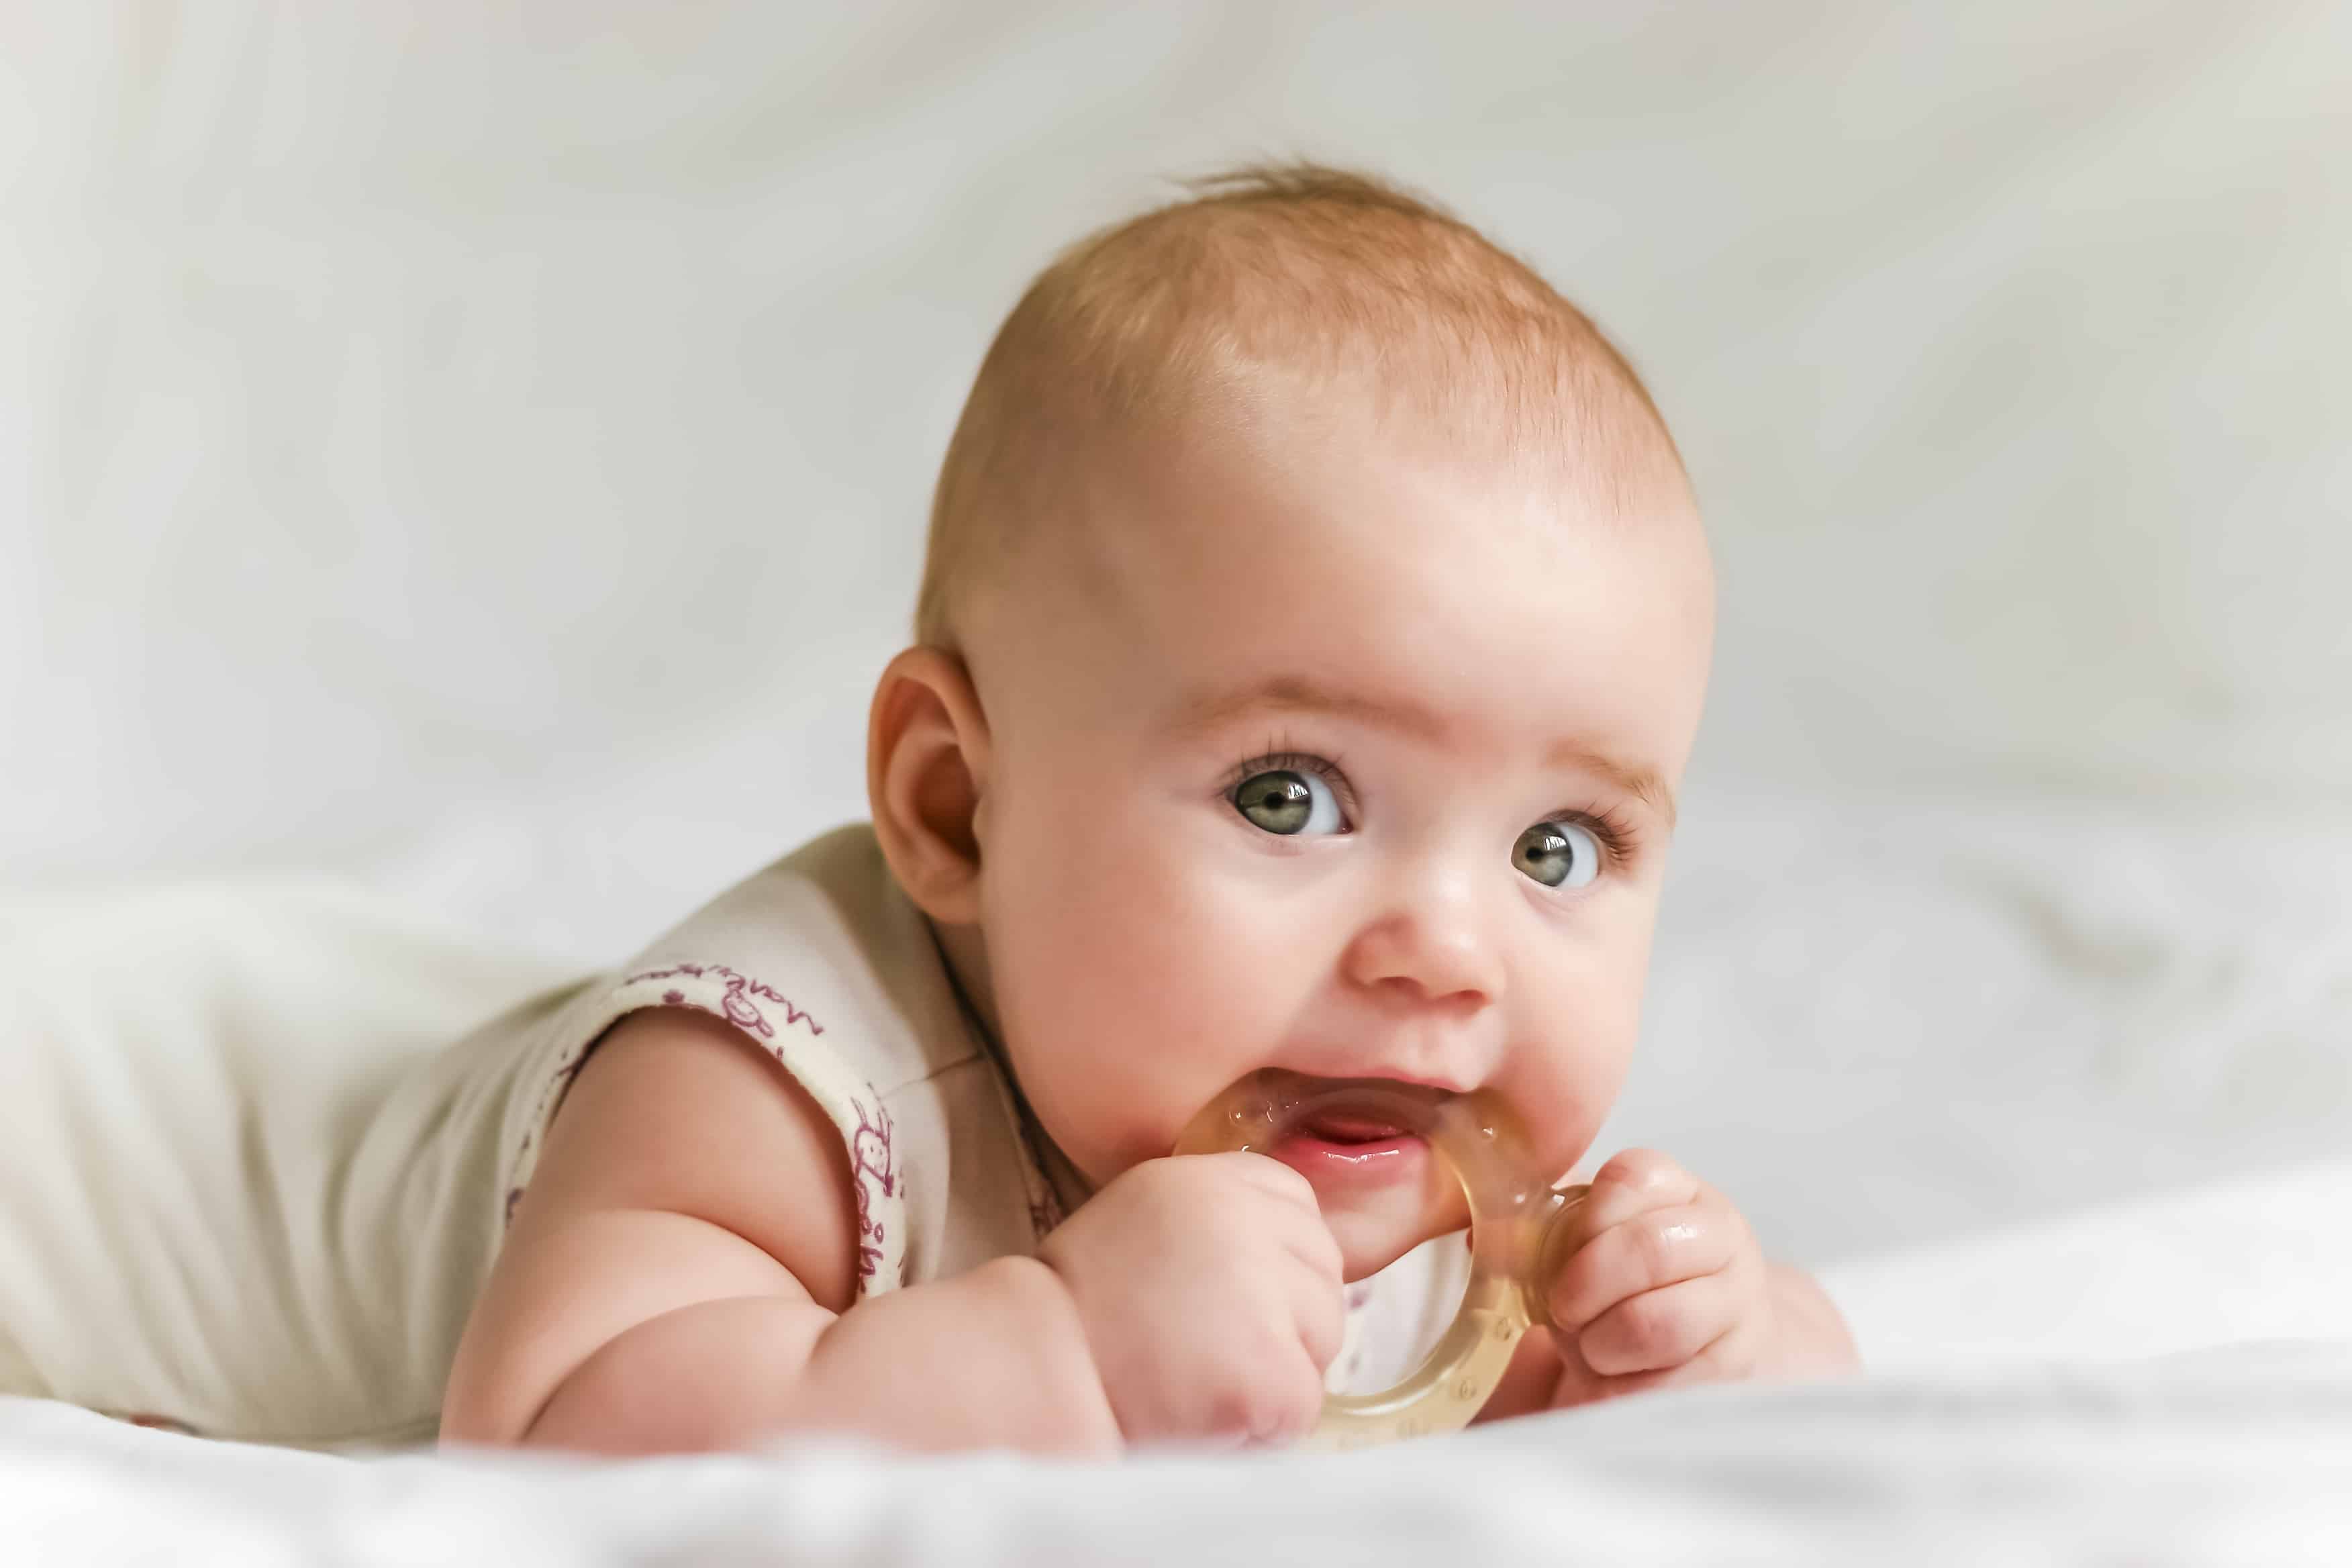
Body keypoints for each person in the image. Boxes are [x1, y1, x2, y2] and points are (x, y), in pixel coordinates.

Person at [0, 164, 1857, 1453]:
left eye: (1560, 849)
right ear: (957, 807)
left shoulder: (1377, 1139)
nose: (1451, 953)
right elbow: (560, 1430)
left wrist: (1711, 1347)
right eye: (1293, 797)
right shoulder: (772, 1091)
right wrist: (1065, 1345)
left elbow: (1583, 1418)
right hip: (84, 1119)